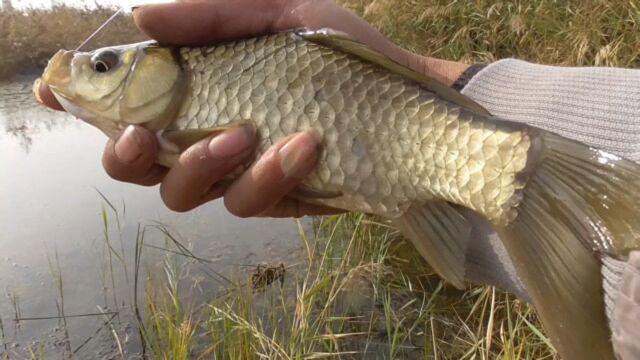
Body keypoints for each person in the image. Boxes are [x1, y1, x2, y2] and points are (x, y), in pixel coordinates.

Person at [36, 0, 640, 358]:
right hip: (440, 119)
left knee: (499, 172)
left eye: (105, 65)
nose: (96, 72)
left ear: (156, 71)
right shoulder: (172, 119)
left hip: (426, 113)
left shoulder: (181, 104)